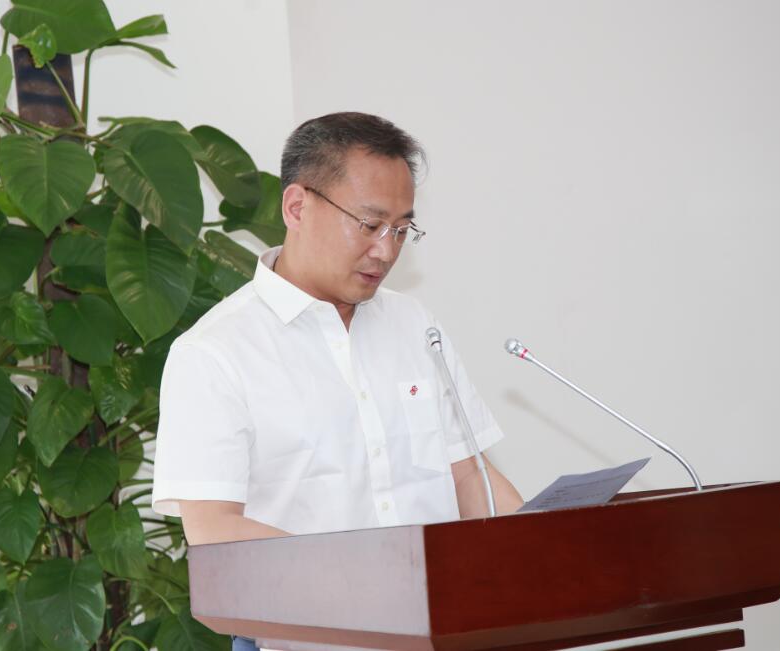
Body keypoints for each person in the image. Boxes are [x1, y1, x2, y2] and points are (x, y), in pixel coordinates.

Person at [151, 112, 524, 651]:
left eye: (401, 229)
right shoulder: (214, 353)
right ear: (297, 207)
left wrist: (541, 552)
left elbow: (470, 477)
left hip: (443, 633)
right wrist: (370, 584)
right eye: (369, 225)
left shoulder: (414, 325)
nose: (387, 250)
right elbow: (215, 533)